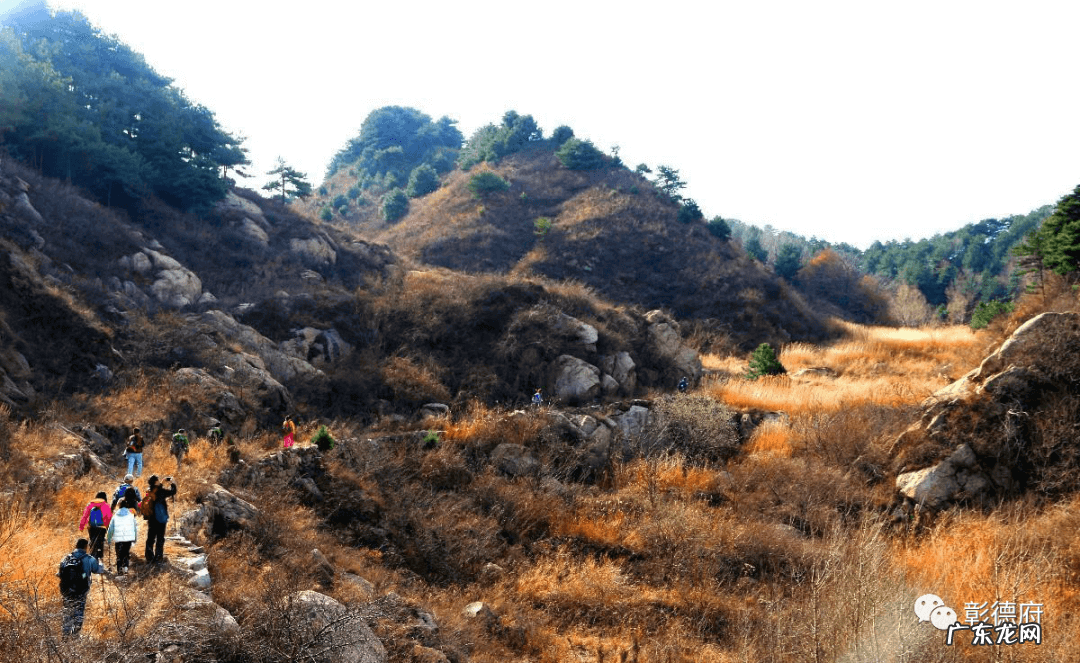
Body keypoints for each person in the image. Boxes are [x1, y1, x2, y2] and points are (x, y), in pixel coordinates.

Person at [57, 538, 108, 638]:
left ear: (76, 546)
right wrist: (101, 564)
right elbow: (98, 570)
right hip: (82, 590)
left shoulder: (66, 558)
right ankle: (75, 635)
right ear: (86, 547)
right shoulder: (89, 559)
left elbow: (59, 574)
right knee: (79, 611)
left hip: (67, 591)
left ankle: (65, 635)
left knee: (67, 611)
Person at [142, 475, 176, 564]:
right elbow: (173, 492)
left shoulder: (149, 491)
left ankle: (149, 557)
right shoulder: (161, 491)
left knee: (150, 538)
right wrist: (172, 483)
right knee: (160, 538)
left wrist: (163, 481)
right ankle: (158, 557)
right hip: (160, 519)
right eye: (158, 480)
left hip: (151, 519)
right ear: (156, 482)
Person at [106, 492, 138, 575]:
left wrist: (109, 539)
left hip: (118, 538)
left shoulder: (115, 515)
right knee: (126, 553)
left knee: (119, 555)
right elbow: (134, 528)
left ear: (119, 505)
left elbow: (110, 529)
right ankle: (126, 569)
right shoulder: (130, 514)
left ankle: (119, 571)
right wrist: (134, 538)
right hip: (128, 537)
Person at [78, 492, 112, 560]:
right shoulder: (106, 505)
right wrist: (108, 528)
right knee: (101, 541)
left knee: (92, 540)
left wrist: (81, 526)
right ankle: (100, 557)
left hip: (91, 527)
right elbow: (109, 517)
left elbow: (85, 516)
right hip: (102, 528)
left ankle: (92, 555)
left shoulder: (90, 504)